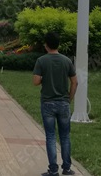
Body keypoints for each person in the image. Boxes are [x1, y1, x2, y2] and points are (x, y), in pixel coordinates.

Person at [33, 31, 78, 176]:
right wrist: (69, 98)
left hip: (47, 103)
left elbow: (36, 81)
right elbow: (75, 81)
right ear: (58, 44)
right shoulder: (67, 61)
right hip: (63, 103)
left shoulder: (41, 61)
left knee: (51, 136)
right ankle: (67, 168)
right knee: (65, 136)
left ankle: (53, 170)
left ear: (46, 45)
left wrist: (44, 78)